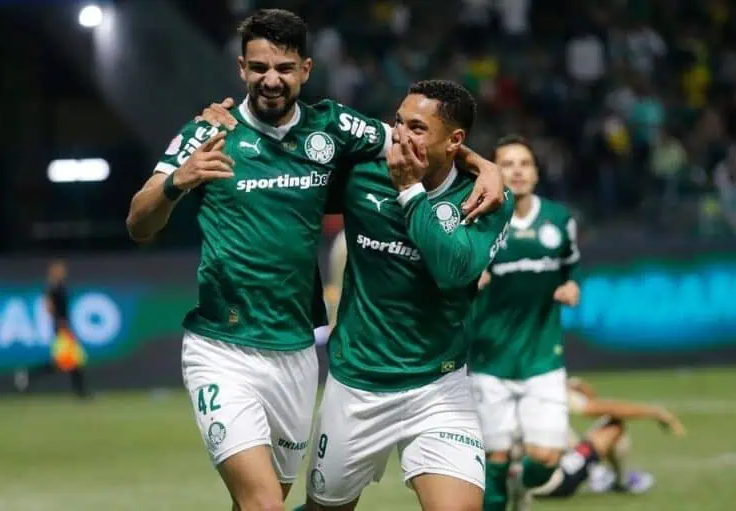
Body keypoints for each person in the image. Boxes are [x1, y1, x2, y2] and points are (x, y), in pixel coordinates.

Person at [126, 9, 503, 511]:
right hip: (223, 346)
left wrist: (483, 163)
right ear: (241, 69)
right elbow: (138, 224)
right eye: (259, 68)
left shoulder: (336, 129)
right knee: (264, 504)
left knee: (265, 501)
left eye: (283, 68)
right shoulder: (208, 135)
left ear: (305, 68)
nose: (271, 80)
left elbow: (421, 140)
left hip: (298, 351)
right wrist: (178, 181)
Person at [297, 80, 513, 511]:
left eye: (417, 127)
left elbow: (454, 271)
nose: (400, 135)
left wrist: (411, 192)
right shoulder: (363, 173)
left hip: (438, 386)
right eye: (398, 122)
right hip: (357, 384)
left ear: (454, 141)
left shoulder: (484, 197)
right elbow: (308, 136)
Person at [468, 135, 581, 511]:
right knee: (494, 463)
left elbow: (571, 267)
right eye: (508, 164)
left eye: (525, 163)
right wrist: (470, 279)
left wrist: (570, 286)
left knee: (547, 459)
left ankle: (524, 482)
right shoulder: (477, 219)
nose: (517, 171)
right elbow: (452, 275)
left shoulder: (559, 220)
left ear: (535, 172)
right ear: (493, 172)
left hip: (542, 357)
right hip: (490, 358)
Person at [527, 376, 686, 499]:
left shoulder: (509, 386)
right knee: (613, 425)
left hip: (518, 480)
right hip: (552, 481)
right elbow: (603, 408)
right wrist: (656, 412)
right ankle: (619, 482)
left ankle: (597, 472)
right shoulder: (544, 385)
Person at [14, 260, 90, 398]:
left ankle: (81, 392)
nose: (63, 272)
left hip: (64, 326)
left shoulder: (60, 286)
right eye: (60, 270)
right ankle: (29, 374)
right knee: (69, 361)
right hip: (61, 327)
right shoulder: (52, 287)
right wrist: (59, 322)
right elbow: (48, 306)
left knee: (71, 361)